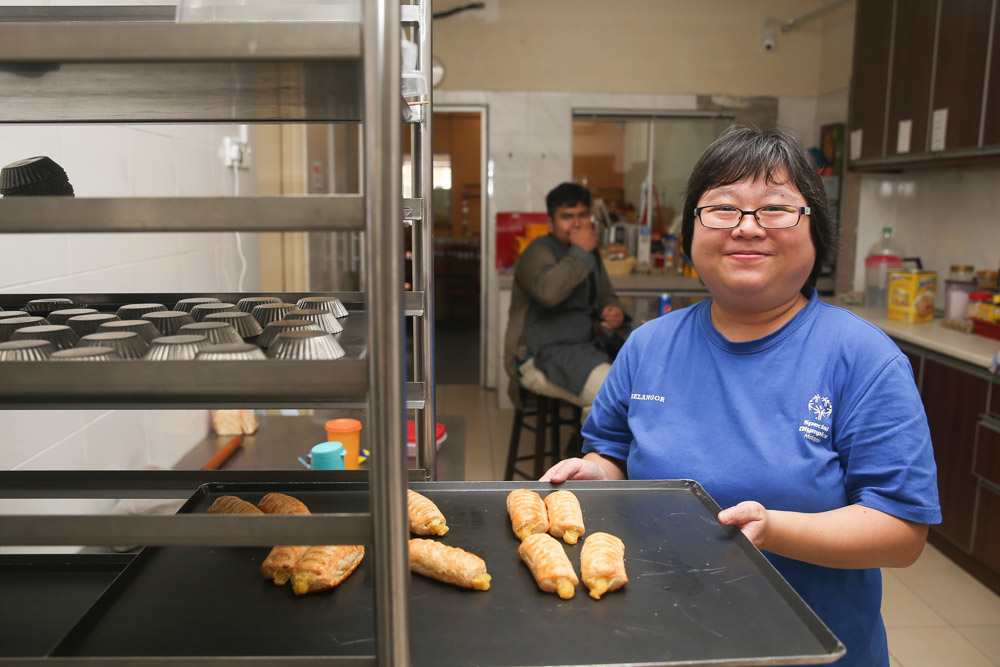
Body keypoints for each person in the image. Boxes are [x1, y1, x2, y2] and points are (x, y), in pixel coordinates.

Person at [541, 126, 940, 667]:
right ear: (692, 231)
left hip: (810, 651)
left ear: (815, 231)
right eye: (723, 209)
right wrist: (595, 473)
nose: (747, 229)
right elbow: (610, 452)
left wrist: (775, 530)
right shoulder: (648, 345)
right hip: (661, 635)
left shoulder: (863, 359)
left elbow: (901, 530)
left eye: (776, 209)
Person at [503, 182, 629, 411]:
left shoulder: (589, 253)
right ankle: (587, 444)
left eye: (583, 215)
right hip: (541, 354)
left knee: (636, 388)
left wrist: (614, 311)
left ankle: (580, 442)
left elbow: (607, 295)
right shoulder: (537, 252)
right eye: (567, 217)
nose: (577, 223)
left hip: (584, 348)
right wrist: (580, 251)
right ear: (551, 223)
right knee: (615, 400)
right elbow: (549, 294)